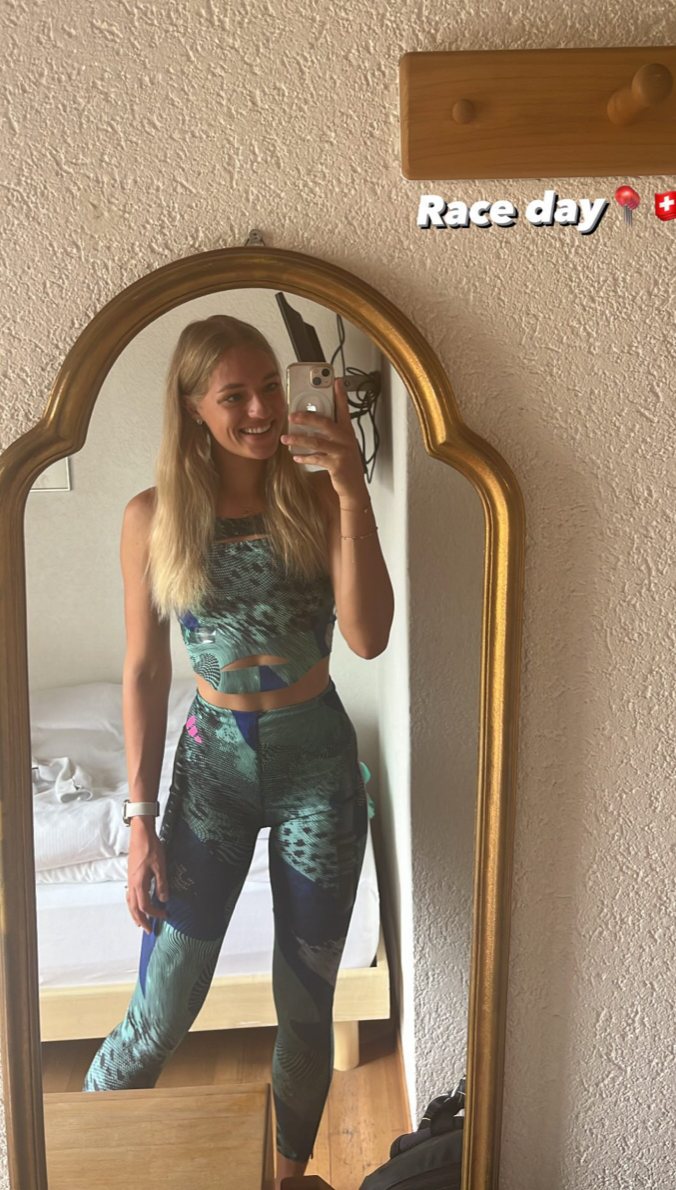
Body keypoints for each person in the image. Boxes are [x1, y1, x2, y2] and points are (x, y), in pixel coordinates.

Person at [82, 314, 394, 1187]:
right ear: (193, 407)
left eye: (269, 388)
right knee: (161, 1007)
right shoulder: (151, 518)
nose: (260, 409)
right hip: (211, 770)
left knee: (306, 1005)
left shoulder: (316, 498)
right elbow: (144, 671)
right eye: (234, 396)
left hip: (316, 769)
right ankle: (74, 1164)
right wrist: (139, 821)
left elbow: (367, 637)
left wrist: (351, 490)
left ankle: (289, 1180)